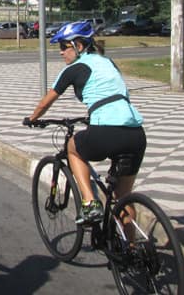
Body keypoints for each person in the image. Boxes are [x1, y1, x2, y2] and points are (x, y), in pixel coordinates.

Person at [23, 21, 145, 225]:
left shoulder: (74, 69)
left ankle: (90, 203)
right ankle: (131, 244)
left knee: (73, 148)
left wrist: (32, 119)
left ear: (78, 46)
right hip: (136, 133)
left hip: (107, 130)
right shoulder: (108, 62)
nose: (61, 52)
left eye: (64, 46)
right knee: (122, 199)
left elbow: (46, 102)